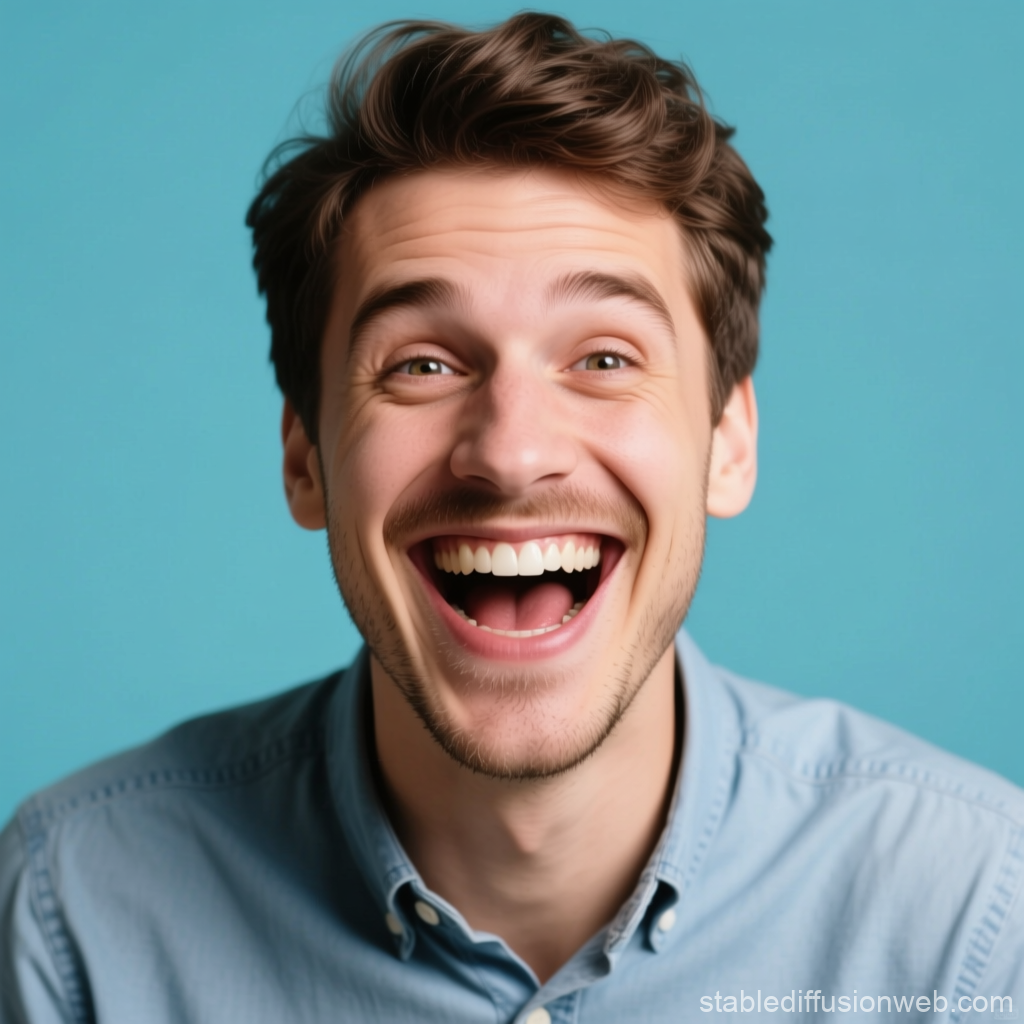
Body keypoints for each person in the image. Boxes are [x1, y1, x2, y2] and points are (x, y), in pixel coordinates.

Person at [2, 13, 1022, 1022]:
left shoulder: (968, 919)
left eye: (604, 358)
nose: (510, 452)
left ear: (727, 441)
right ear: (305, 457)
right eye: (422, 364)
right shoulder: (72, 913)